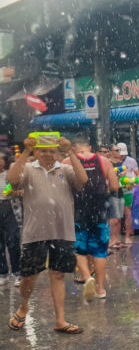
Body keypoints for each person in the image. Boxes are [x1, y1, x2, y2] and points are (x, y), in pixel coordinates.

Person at [7, 134, 88, 333]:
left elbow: (83, 180)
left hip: (62, 231)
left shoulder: (66, 169)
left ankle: (60, 320)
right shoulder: (27, 168)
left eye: (52, 151)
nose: (48, 155)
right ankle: (24, 306)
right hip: (35, 231)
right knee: (29, 276)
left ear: (57, 152)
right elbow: (12, 180)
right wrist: (25, 151)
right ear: (36, 152)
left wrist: (70, 152)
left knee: (58, 274)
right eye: (43, 151)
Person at [68, 137, 119, 300]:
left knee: (79, 249)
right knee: (100, 252)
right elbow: (115, 186)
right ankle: (100, 289)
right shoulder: (104, 161)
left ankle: (86, 276)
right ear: (90, 147)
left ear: (74, 150)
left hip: (78, 210)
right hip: (100, 211)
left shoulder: (68, 161)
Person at [111, 142, 139, 246]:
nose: (120, 155)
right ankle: (115, 238)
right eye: (117, 152)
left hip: (127, 191)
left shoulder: (131, 161)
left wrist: (133, 183)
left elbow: (138, 176)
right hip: (115, 190)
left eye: (121, 152)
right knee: (115, 217)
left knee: (127, 213)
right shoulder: (110, 162)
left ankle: (127, 236)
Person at [0, 151, 21, 286]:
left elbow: (15, 191)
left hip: (10, 208)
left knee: (13, 241)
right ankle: (2, 273)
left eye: (1, 159)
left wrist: (12, 191)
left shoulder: (10, 174)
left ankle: (17, 272)